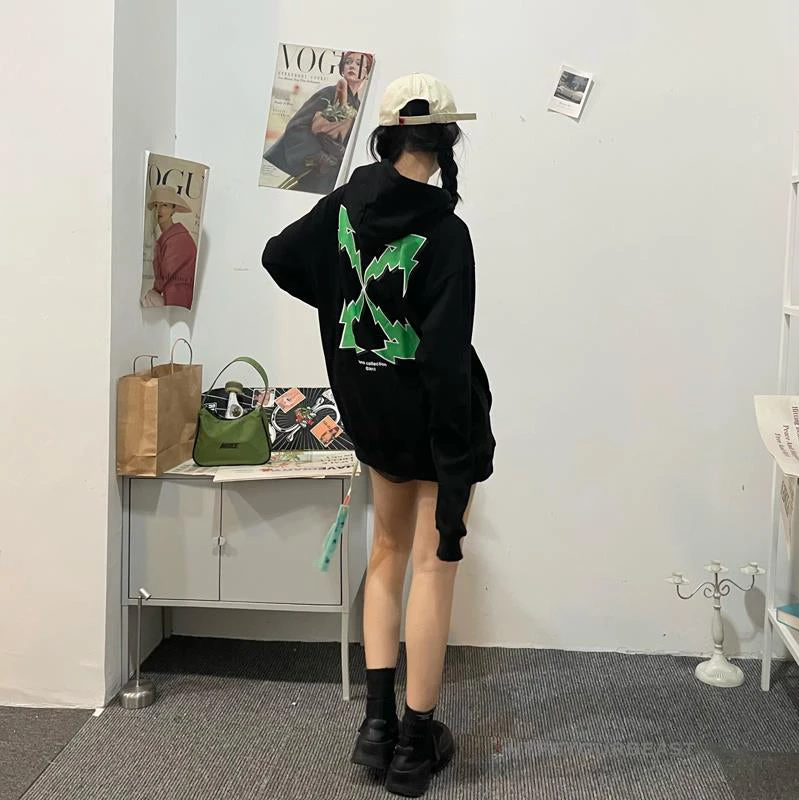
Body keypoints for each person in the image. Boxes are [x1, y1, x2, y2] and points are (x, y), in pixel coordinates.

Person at [262, 73, 495, 797]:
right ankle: (414, 746)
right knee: (434, 562)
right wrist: (454, 463)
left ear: (386, 135)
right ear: (446, 140)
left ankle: (376, 727)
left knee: (387, 553)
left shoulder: (344, 206)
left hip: (370, 411)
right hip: (434, 419)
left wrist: (342, 303)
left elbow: (278, 257)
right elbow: (446, 360)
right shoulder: (446, 234)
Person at [263, 51, 374, 194]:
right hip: (309, 171)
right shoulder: (329, 93)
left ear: (366, 74)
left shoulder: (358, 106)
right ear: (342, 68)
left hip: (332, 176)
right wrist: (318, 155)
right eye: (348, 62)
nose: (352, 66)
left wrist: (342, 153)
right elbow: (296, 127)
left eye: (359, 64)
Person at [142, 185, 198, 309]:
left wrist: (154, 291)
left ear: (173, 210)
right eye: (156, 205)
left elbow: (166, 276)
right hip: (172, 296)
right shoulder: (166, 238)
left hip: (180, 301)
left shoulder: (179, 239)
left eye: (165, 205)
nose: (159, 210)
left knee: (147, 299)